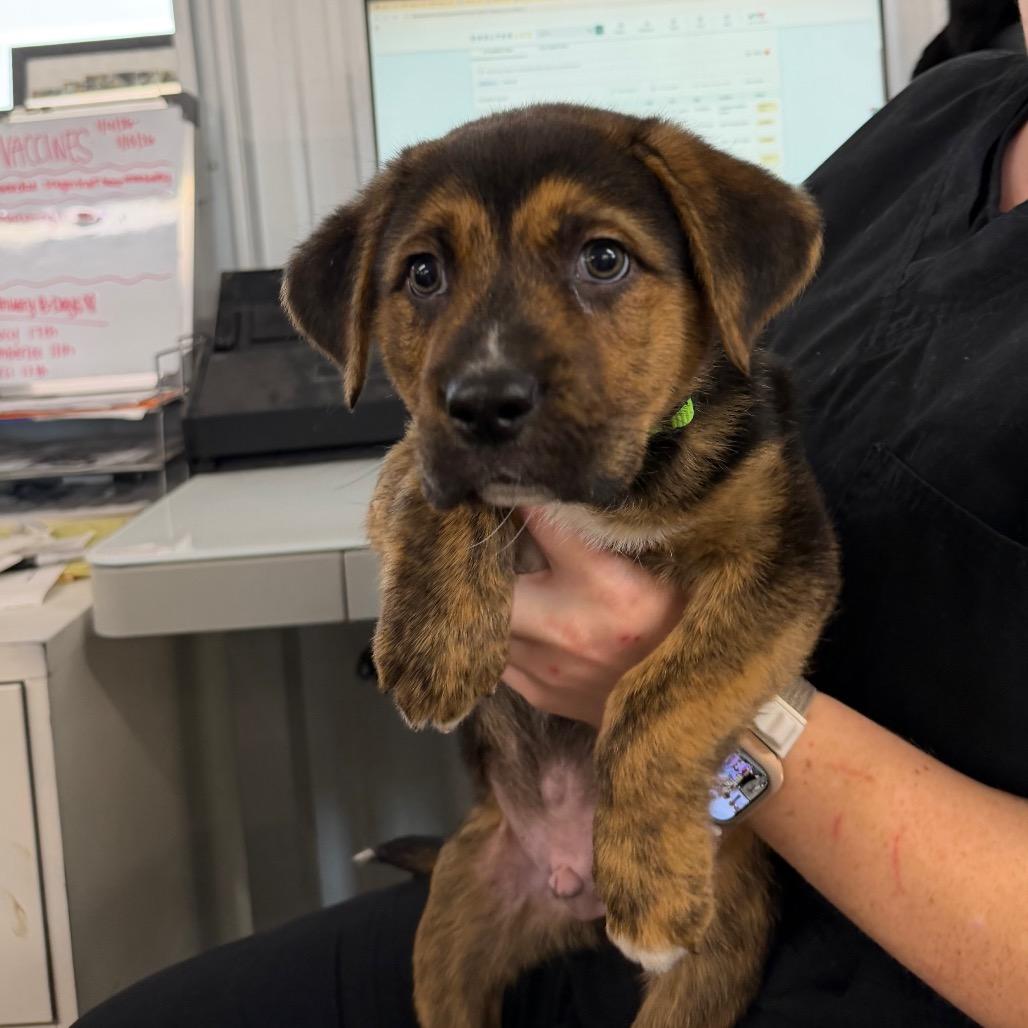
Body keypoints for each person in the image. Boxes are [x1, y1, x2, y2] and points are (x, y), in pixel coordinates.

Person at [77, 10, 1028, 1028]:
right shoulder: (941, 116)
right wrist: (440, 536)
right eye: (426, 276)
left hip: (805, 916)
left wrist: (683, 717)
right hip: (532, 838)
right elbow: (427, 467)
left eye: (600, 261)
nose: (489, 369)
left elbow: (780, 558)